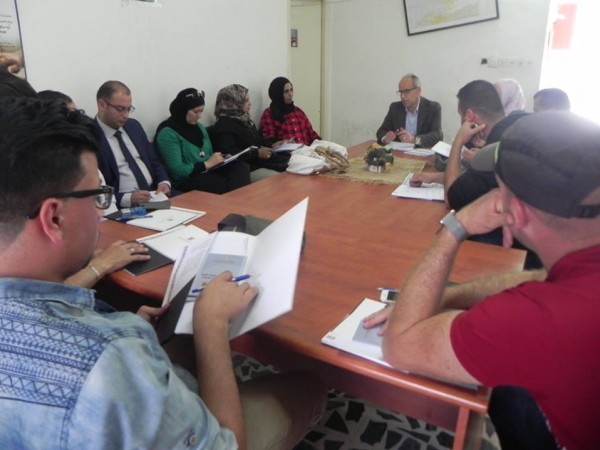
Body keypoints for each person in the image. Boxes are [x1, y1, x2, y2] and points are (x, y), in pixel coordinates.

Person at [0, 96, 327, 449]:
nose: (100, 212)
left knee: (178, 341)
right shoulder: (111, 352)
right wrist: (212, 326)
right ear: (54, 217)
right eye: (98, 196)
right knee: (310, 385)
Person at [364, 111, 600, 450]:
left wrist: (456, 226)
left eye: (498, 191)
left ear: (515, 214)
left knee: (504, 392)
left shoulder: (541, 318)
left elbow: (399, 346)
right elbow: (540, 278)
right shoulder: (576, 276)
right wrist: (446, 297)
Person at [155, 88, 251, 193]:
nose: (199, 116)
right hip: (187, 178)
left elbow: (208, 155)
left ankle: (239, 199)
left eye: (201, 111)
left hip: (207, 169)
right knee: (221, 184)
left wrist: (222, 158)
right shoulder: (168, 133)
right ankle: (238, 200)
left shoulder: (199, 127)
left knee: (241, 168)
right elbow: (177, 171)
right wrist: (207, 164)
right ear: (183, 110)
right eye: (195, 112)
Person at [95, 80, 172, 208]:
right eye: (120, 109)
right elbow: (95, 190)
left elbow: (153, 160)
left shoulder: (133, 126)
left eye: (128, 109)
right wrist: (127, 198)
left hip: (155, 196)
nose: (126, 115)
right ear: (102, 105)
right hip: (124, 206)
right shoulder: (90, 137)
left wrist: (164, 182)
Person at [211, 84, 289, 182]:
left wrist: (272, 145)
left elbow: (257, 142)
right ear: (234, 103)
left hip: (259, 163)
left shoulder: (245, 120)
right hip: (245, 170)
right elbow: (229, 154)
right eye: (246, 101)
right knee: (280, 179)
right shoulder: (224, 126)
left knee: (292, 166)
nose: (250, 104)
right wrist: (256, 154)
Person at [376, 74, 443, 148]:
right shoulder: (395, 108)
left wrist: (414, 139)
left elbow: (437, 135)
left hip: (423, 151)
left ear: (418, 91)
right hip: (400, 152)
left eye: (406, 91)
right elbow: (381, 131)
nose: (402, 96)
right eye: (401, 92)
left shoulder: (433, 108)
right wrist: (385, 138)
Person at [259, 76, 320, 146]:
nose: (290, 94)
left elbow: (312, 135)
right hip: (287, 152)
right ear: (277, 94)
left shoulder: (298, 112)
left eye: (291, 90)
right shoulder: (269, 114)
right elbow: (269, 141)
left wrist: (322, 144)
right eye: (286, 91)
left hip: (306, 151)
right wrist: (279, 144)